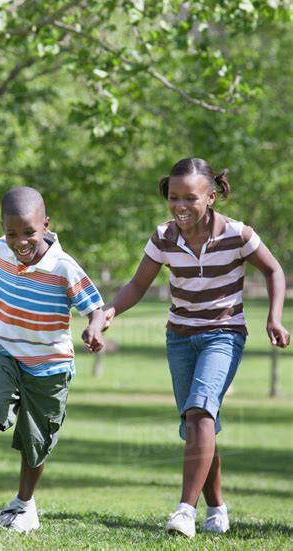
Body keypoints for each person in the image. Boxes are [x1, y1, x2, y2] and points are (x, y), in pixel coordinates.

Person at [87, 157, 290, 539]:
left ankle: (185, 511)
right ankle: (217, 507)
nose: (180, 206)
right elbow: (137, 284)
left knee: (199, 411)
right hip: (179, 337)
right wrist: (107, 312)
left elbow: (274, 269)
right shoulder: (164, 237)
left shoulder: (238, 234)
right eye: (174, 197)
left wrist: (274, 318)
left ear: (211, 197)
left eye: (190, 198)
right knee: (196, 424)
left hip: (223, 334)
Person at [0, 186, 106, 533]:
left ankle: (24, 504)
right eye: (11, 232)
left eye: (29, 232)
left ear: (45, 225)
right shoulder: (2, 250)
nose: (20, 241)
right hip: (6, 352)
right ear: (3, 227)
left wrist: (96, 329)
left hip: (50, 366)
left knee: (35, 439)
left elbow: (96, 307)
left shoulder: (63, 267)